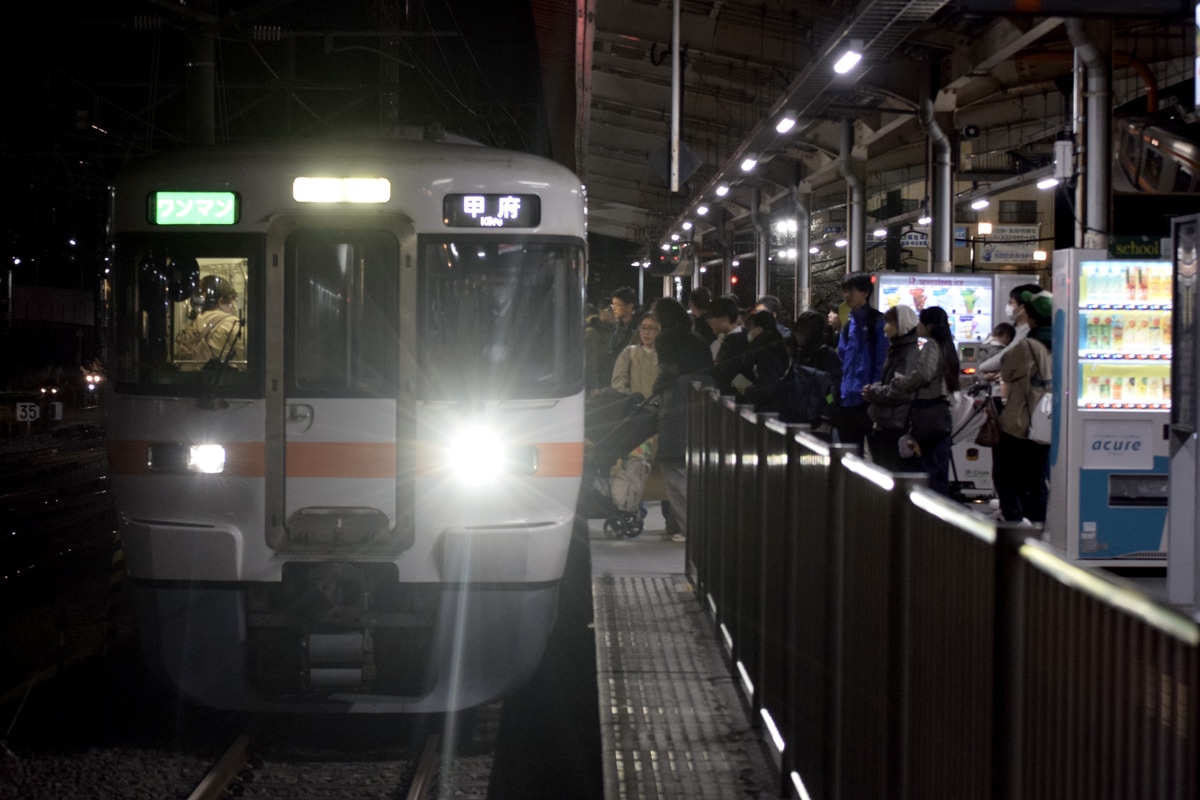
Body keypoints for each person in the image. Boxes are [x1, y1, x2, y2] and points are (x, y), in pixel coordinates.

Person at [863, 306, 960, 496]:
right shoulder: (947, 346)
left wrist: (900, 383)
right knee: (937, 469)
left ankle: (929, 516)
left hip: (926, 412)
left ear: (930, 326)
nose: (918, 326)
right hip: (940, 413)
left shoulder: (931, 345)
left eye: (921, 322)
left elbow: (922, 375)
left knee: (926, 467)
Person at [651, 297, 713, 542]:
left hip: (678, 403)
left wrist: (655, 389)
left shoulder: (665, 338)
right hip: (704, 403)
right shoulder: (697, 338)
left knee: (674, 467)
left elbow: (668, 370)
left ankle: (689, 528)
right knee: (694, 469)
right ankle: (677, 525)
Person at [994, 289, 1054, 523]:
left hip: (1022, 419)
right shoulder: (1063, 342)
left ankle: (1015, 521)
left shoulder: (1029, 345)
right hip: (1046, 420)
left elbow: (1006, 371)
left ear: (1032, 316)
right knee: (1036, 477)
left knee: (1005, 473)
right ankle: (1038, 523)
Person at [861, 305, 921, 472]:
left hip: (895, 423)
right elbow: (891, 383)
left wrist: (873, 392)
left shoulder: (908, 353)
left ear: (903, 324)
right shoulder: (897, 349)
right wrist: (875, 388)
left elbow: (900, 390)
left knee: (891, 471)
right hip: (886, 422)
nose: (886, 327)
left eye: (890, 322)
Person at [834, 273, 888, 450]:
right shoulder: (849, 325)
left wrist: (874, 389)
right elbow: (841, 357)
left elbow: (882, 359)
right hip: (847, 398)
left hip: (867, 398)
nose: (847, 296)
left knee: (875, 453)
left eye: (851, 291)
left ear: (865, 292)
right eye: (845, 291)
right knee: (849, 455)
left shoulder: (877, 322)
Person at [782, 309, 842, 437]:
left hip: (815, 417)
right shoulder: (795, 351)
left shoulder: (827, 356)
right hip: (799, 414)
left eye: (803, 330)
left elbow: (831, 390)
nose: (799, 335)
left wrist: (826, 410)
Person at [178, 275, 243, 369]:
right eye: (232, 302)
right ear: (221, 302)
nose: (234, 307)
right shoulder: (233, 324)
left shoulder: (192, 324)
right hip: (223, 381)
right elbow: (248, 357)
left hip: (192, 381)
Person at [737, 309, 790, 412]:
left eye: (749, 328)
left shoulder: (767, 351)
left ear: (759, 329)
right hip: (770, 406)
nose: (748, 332)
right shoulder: (775, 345)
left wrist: (740, 384)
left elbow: (766, 387)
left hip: (766, 408)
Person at [708, 296, 751, 394]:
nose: (709, 322)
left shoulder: (738, 341)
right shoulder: (740, 336)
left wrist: (745, 392)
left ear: (724, 319)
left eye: (712, 318)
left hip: (735, 398)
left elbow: (732, 373)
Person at [611, 315, 660, 398]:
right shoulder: (629, 352)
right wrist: (631, 399)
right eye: (643, 328)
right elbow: (618, 382)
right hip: (635, 406)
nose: (646, 332)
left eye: (651, 328)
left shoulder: (665, 355)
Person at [585, 303, 616, 396]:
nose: (613, 314)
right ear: (600, 311)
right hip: (599, 385)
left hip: (610, 382)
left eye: (615, 310)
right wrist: (593, 386)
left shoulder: (614, 330)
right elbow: (591, 361)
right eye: (609, 311)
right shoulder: (592, 332)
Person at [608, 286, 639, 374]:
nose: (613, 308)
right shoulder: (615, 328)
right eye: (613, 304)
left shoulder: (639, 330)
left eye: (617, 305)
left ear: (629, 307)